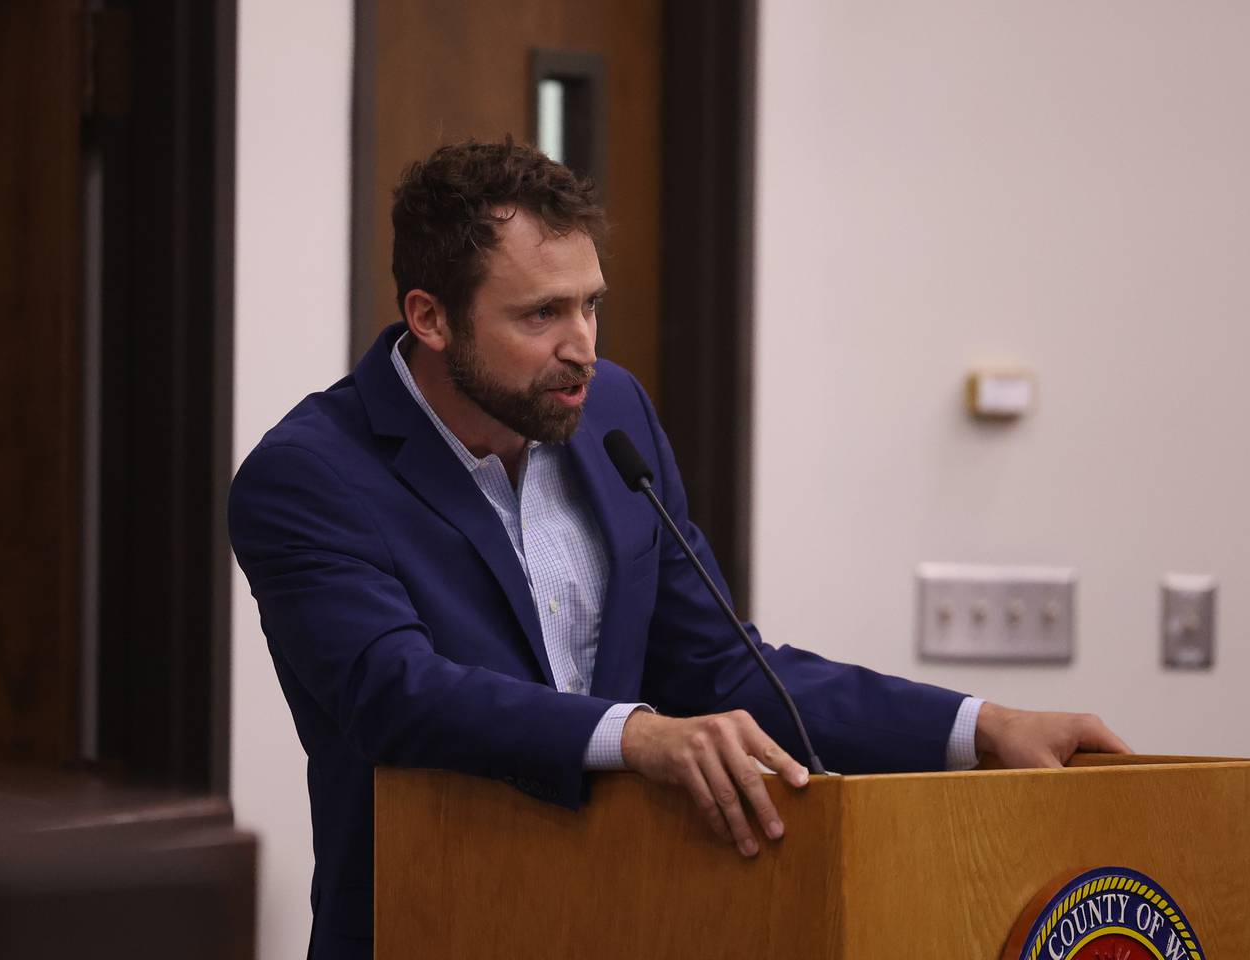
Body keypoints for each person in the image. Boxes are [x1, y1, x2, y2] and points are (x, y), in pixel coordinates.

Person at [228, 137, 1130, 958]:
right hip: (435, 921)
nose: (581, 348)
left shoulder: (611, 412)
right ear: (430, 319)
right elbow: (398, 695)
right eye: (540, 315)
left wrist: (979, 728)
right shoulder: (311, 475)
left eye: (591, 306)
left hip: (635, 915)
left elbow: (727, 672)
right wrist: (637, 736)